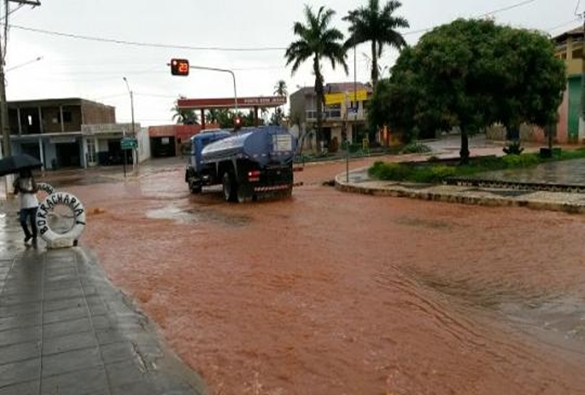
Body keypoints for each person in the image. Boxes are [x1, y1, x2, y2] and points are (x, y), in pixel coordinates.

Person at [13, 169, 39, 243]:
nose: (24, 173)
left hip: (33, 204)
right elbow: (15, 193)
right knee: (22, 221)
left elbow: (36, 190)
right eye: (23, 172)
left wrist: (26, 191)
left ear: (28, 172)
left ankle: (34, 235)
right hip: (23, 206)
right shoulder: (18, 181)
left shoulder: (31, 180)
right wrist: (17, 186)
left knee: (33, 221)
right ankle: (28, 234)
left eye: (26, 171)